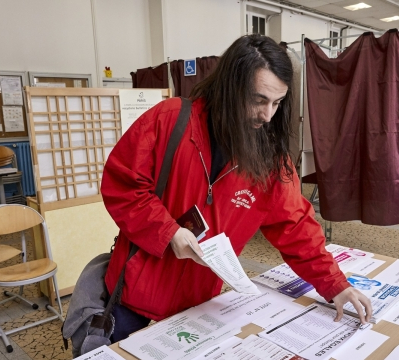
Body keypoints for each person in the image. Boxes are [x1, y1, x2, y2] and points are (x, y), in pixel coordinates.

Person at [101, 34, 372, 342]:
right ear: (230, 86)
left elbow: (295, 226)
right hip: (134, 290)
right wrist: (168, 232)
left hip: (198, 301)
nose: (267, 115)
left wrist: (335, 283)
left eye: (277, 103)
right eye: (258, 100)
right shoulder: (171, 119)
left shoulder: (269, 157)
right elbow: (123, 185)